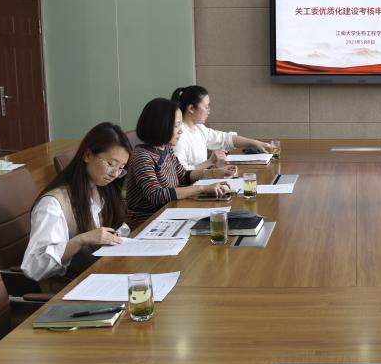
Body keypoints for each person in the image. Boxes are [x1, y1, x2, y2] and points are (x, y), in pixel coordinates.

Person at [22, 122, 132, 292]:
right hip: (68, 290)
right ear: (87, 155)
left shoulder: (103, 189)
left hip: (99, 277)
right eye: (111, 164)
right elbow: (34, 267)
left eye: (121, 168)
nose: (115, 174)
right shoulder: (53, 204)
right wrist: (80, 240)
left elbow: (119, 227)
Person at [126, 98, 229, 228]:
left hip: (169, 213)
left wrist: (213, 173)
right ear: (159, 126)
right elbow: (156, 195)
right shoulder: (142, 156)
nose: (181, 130)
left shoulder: (166, 148)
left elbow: (183, 175)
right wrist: (201, 188)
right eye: (176, 126)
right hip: (147, 223)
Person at [171, 85, 271, 172]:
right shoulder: (178, 135)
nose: (208, 111)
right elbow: (181, 173)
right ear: (191, 109)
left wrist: (255, 143)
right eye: (206, 107)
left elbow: (225, 139)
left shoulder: (199, 128)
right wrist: (210, 162)